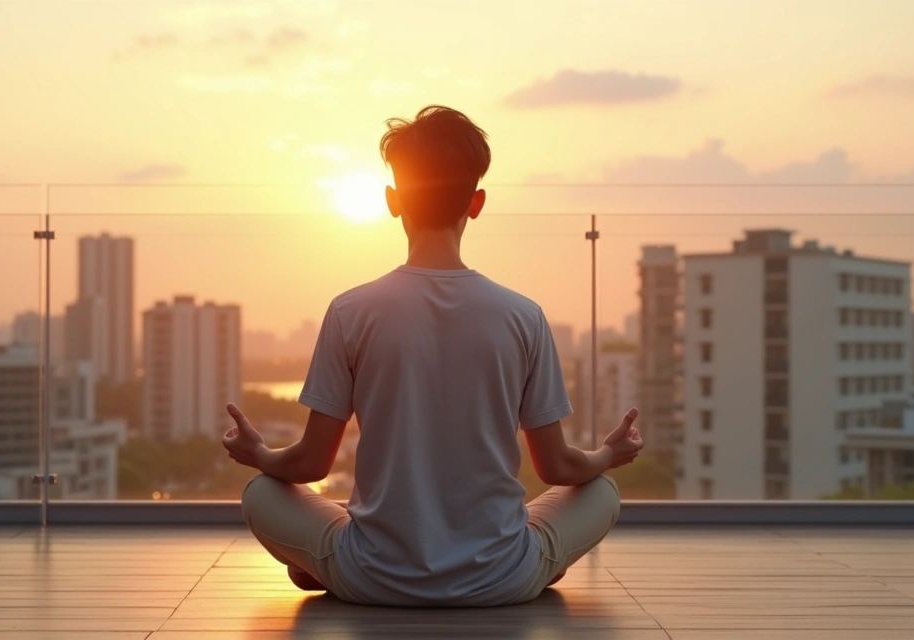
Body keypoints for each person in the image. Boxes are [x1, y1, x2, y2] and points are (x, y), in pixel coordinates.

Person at [223, 105, 644, 607]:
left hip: (374, 577)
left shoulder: (350, 310)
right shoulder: (523, 316)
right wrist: (608, 455)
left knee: (260, 494)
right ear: (477, 203)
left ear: (393, 201)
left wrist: (260, 455)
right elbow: (555, 467)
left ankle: (328, 563)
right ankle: (531, 564)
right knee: (602, 492)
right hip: (502, 578)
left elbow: (312, 461)